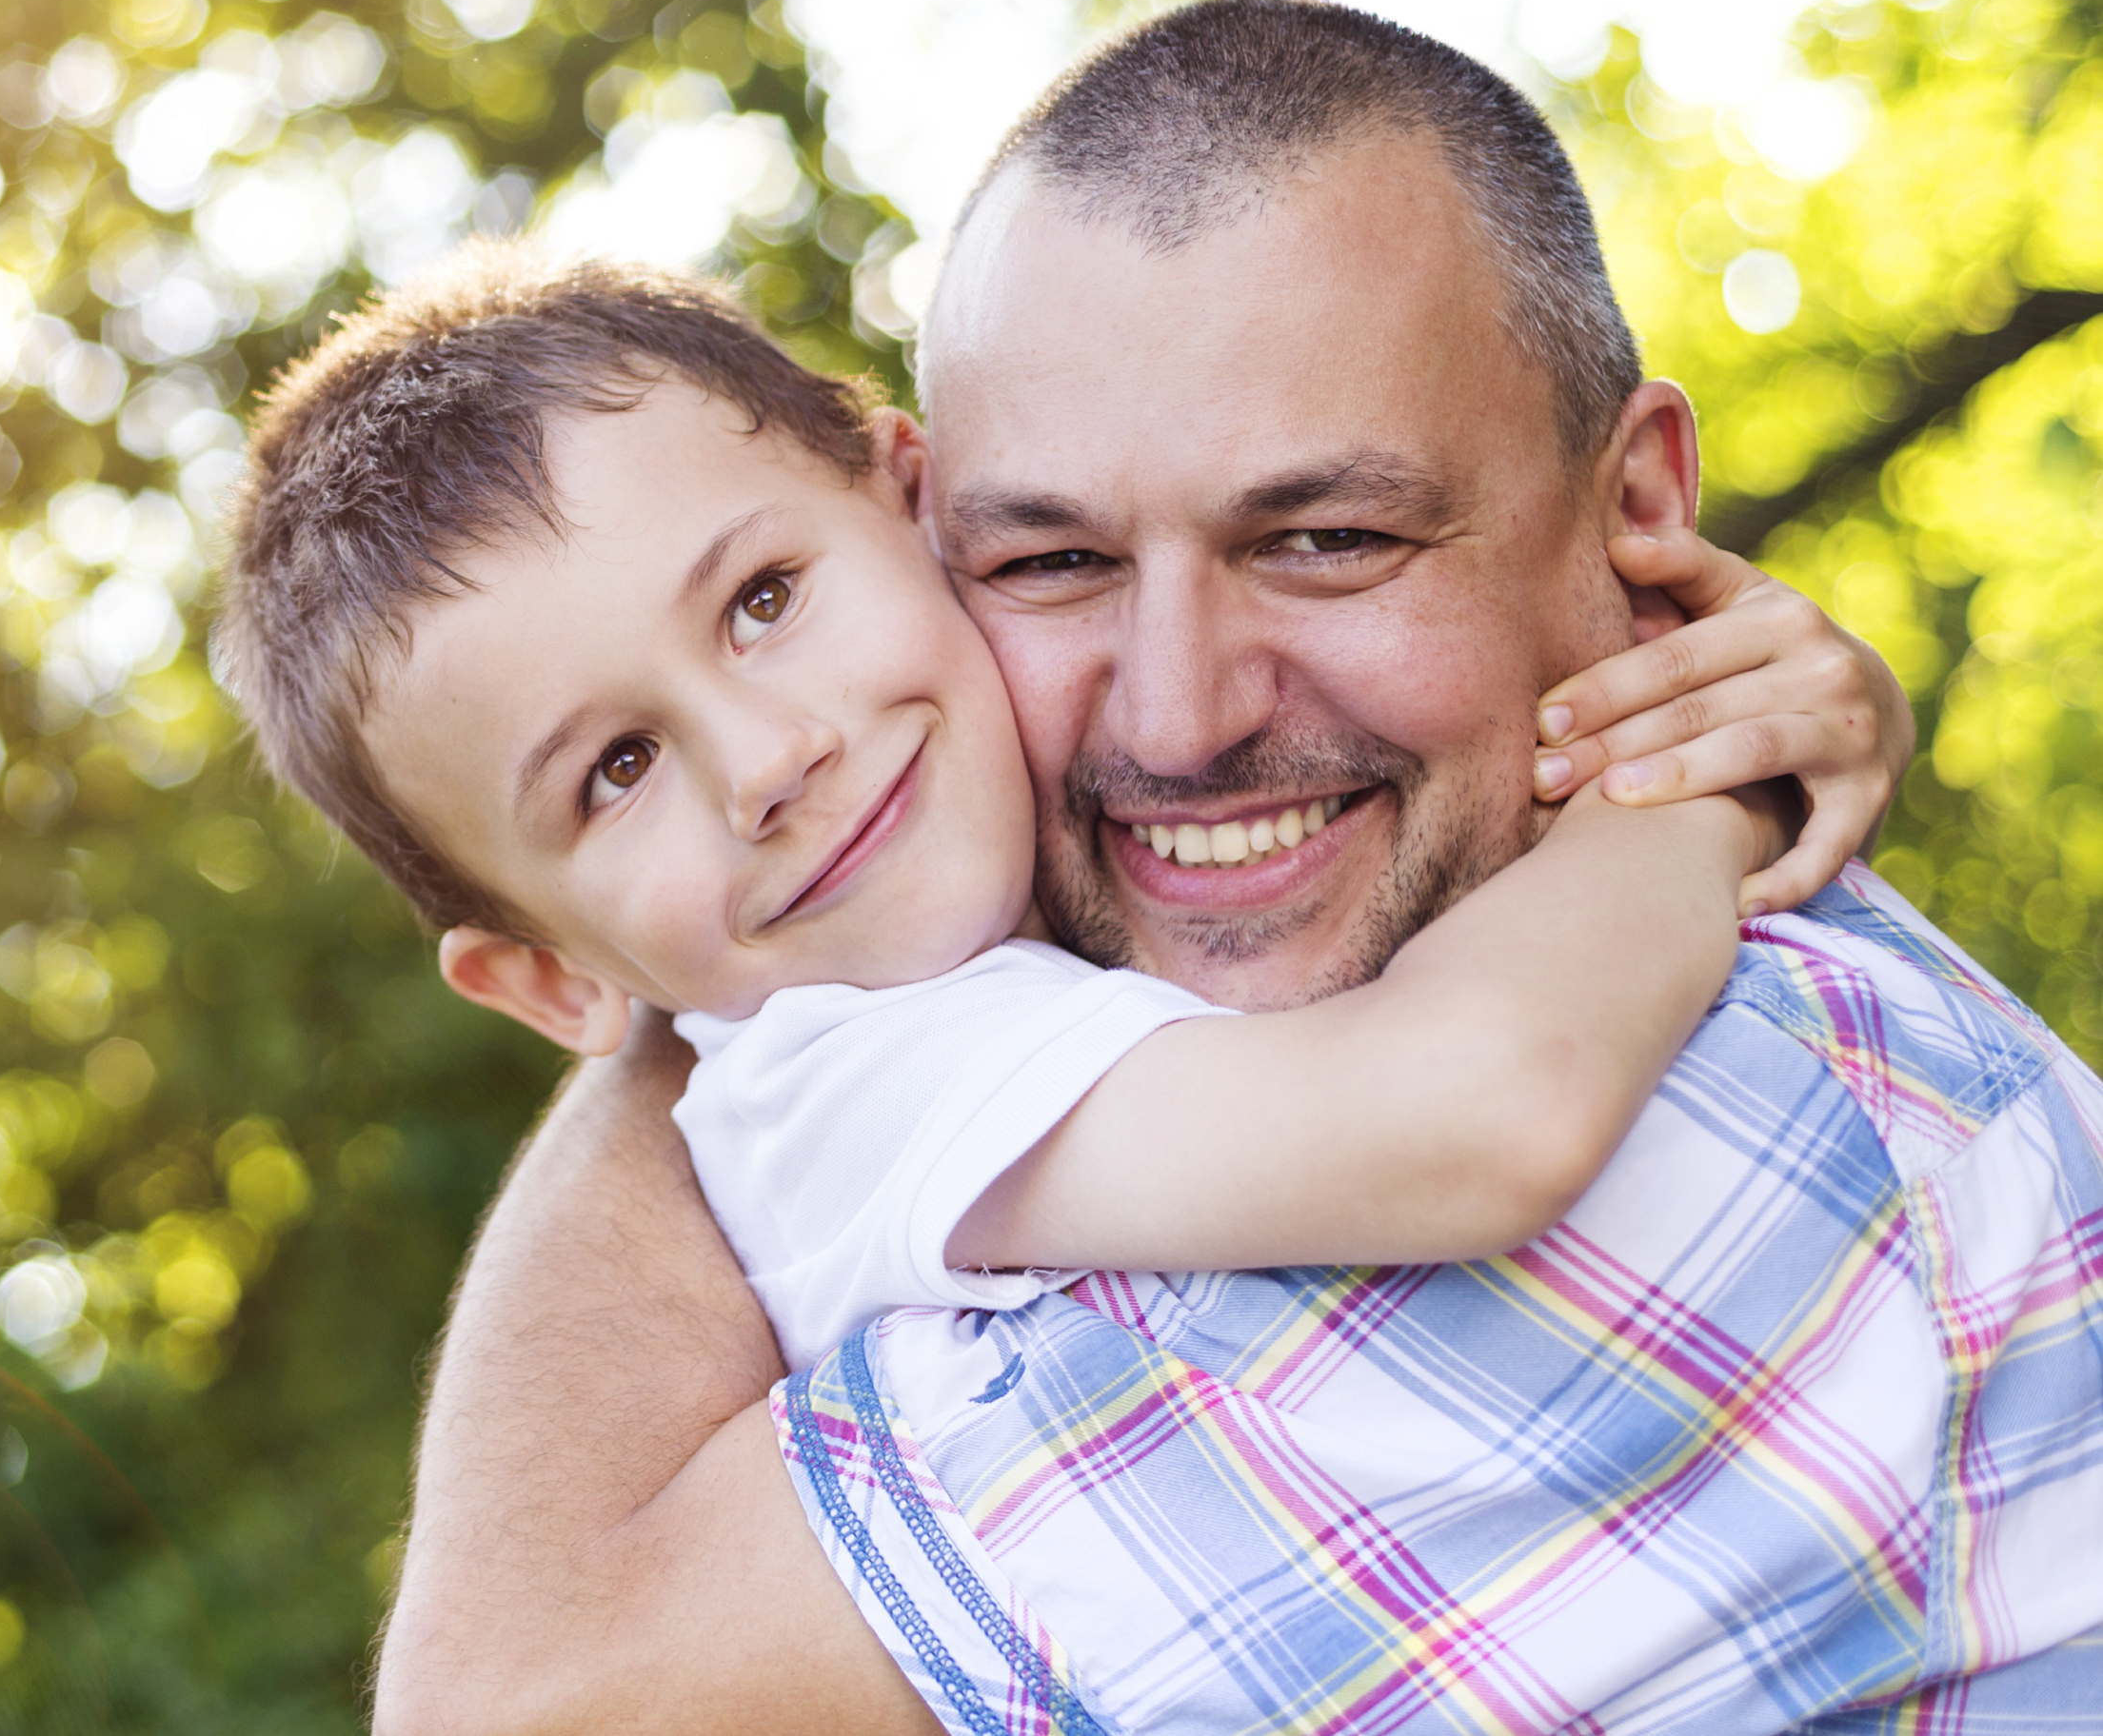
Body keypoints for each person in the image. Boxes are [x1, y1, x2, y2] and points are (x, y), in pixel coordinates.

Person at [372, 0, 2103, 1732]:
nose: (1181, 716)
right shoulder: (969, 1040)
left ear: (1636, 508)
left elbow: (522, 1703)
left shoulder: (1713, 1128)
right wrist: (1713, 787)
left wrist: (1693, 797)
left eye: (1328, 539)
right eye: (1050, 560)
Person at [218, 246, 1838, 1387]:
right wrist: (1706, 757)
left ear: (909, 496)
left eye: (764, 598)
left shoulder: (1022, 925)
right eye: (613, 772)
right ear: (549, 983)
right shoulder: (838, 1090)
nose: (766, 757)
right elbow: (1488, 1107)